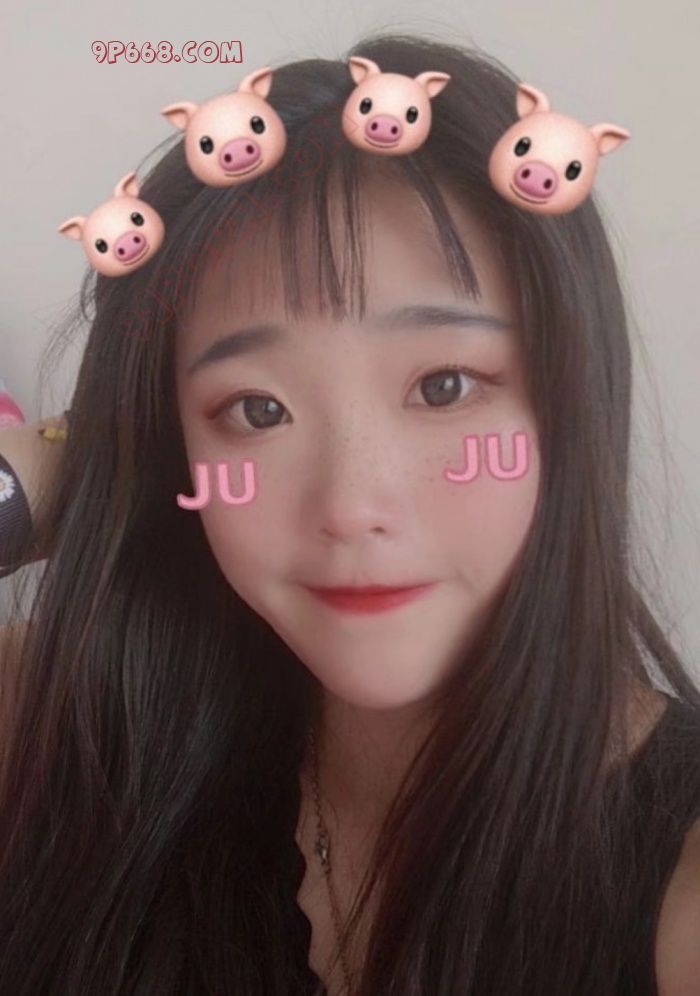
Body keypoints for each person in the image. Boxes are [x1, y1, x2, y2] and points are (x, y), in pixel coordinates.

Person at [0, 32, 699, 996]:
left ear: (570, 399)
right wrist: (68, 468)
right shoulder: (80, 727)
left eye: (444, 386)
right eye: (256, 411)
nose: (351, 507)